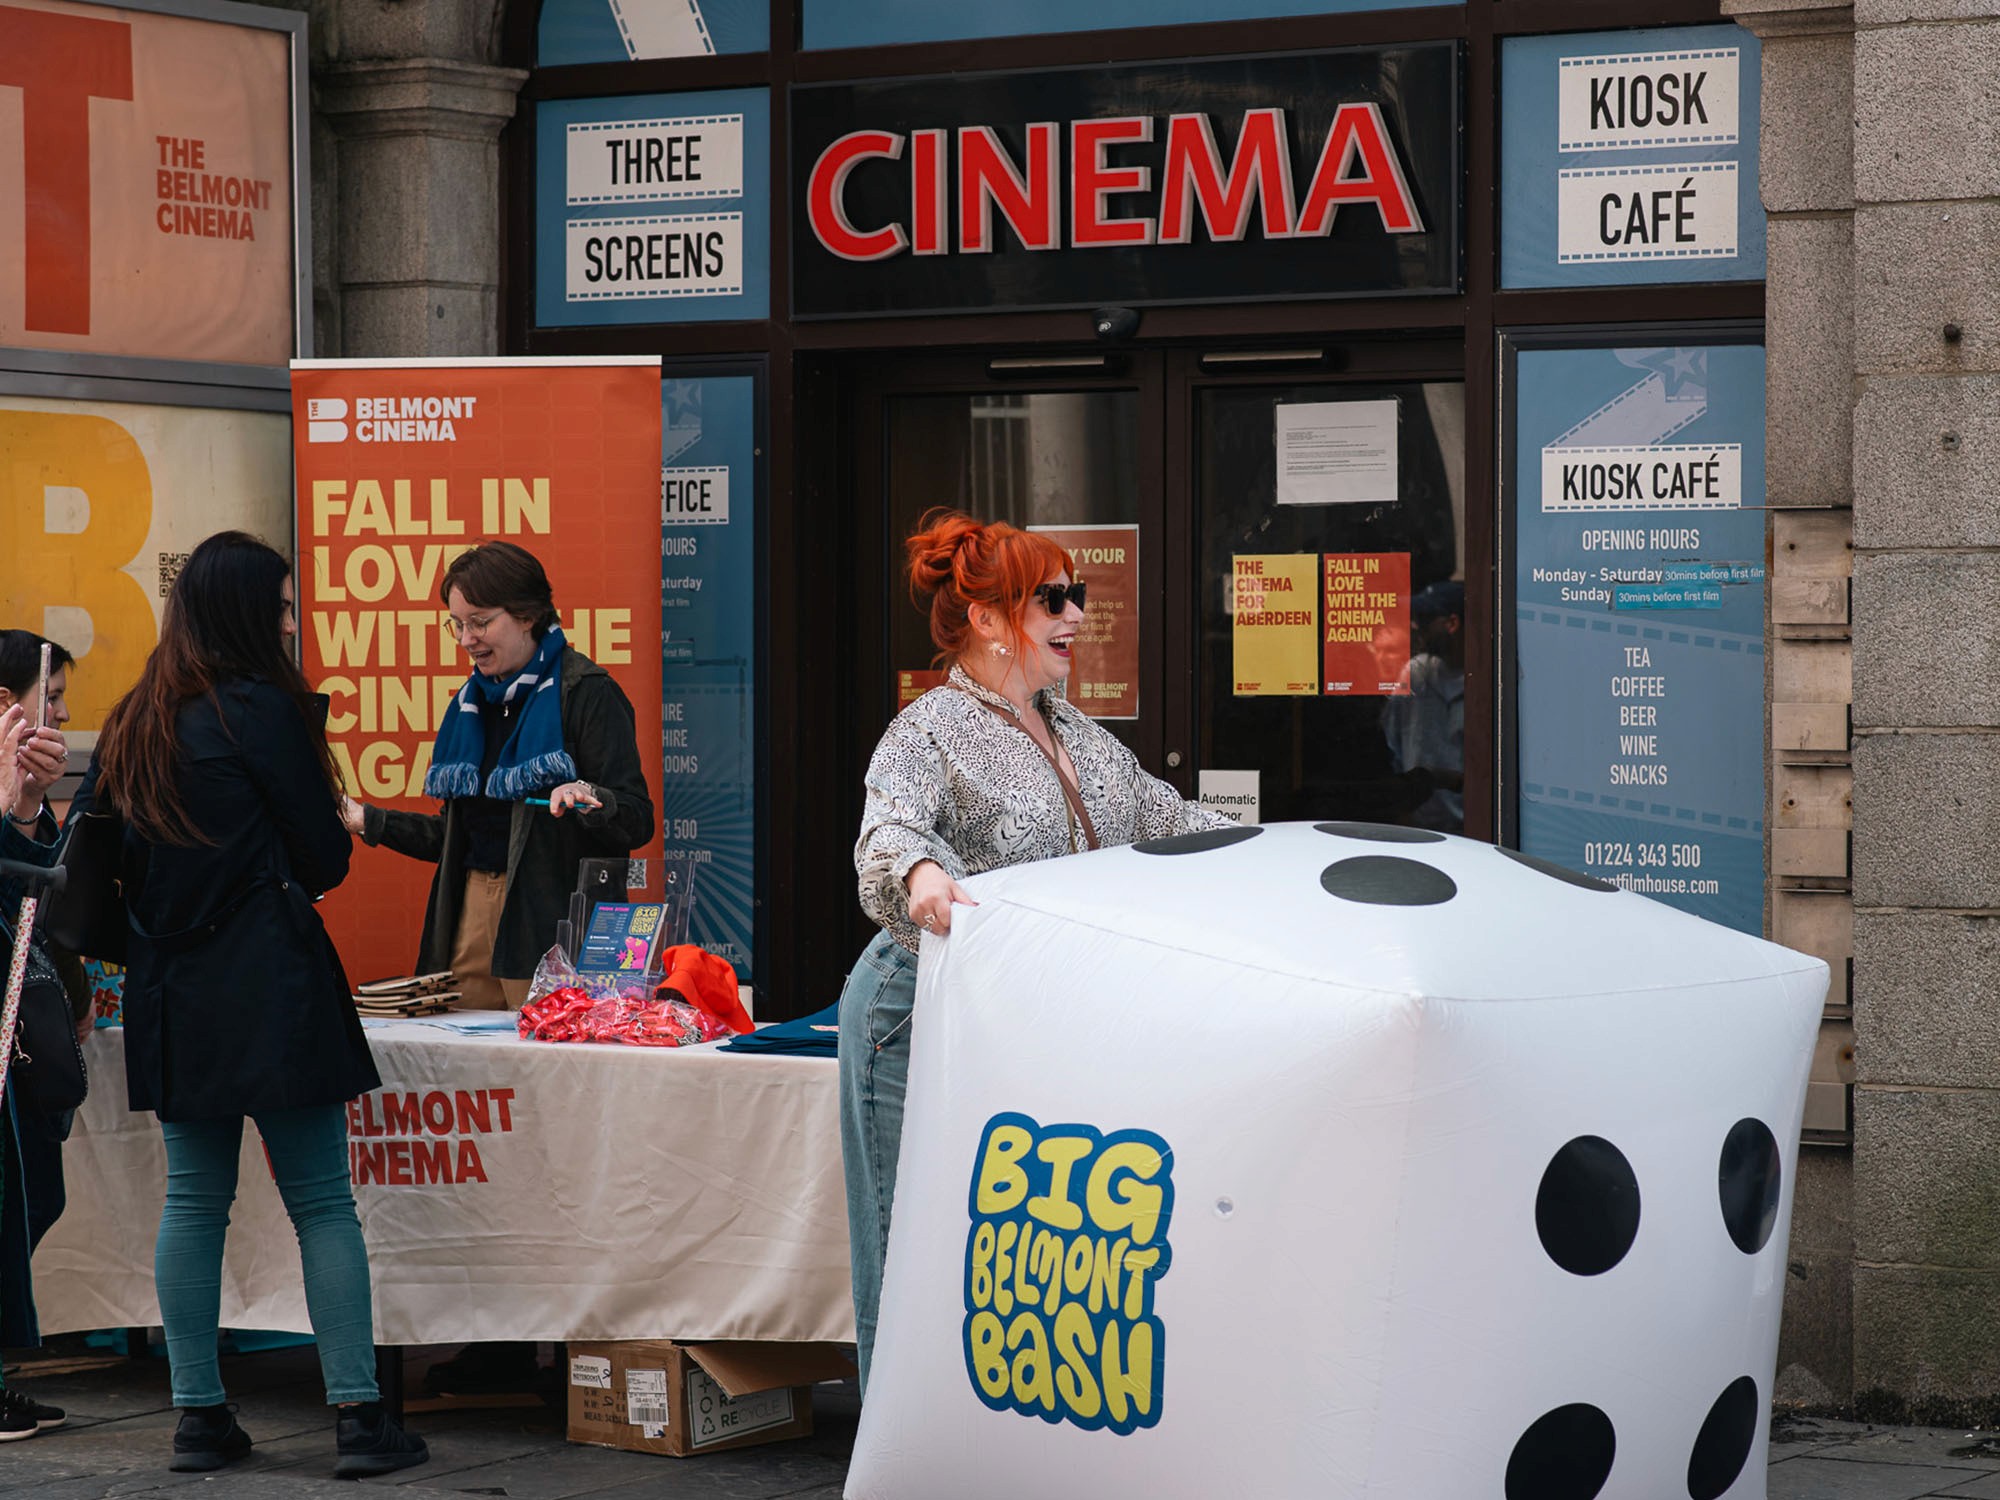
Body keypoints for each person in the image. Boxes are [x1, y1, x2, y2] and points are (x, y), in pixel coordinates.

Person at [838, 510, 1233, 1391]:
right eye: (1051, 598)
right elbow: (887, 830)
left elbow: (1169, 823)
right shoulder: (928, 729)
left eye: (1077, 595)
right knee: (911, 1238)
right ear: (986, 619)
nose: (1076, 614)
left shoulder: (1082, 736)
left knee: (1023, 1242)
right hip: (913, 1014)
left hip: (1026, 1017)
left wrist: (1282, 852)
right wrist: (922, 874)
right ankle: (901, 1458)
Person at [70, 532, 427, 1478]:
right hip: (270, 982)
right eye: (278, 606)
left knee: (193, 1203)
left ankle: (199, 1418)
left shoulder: (132, 720)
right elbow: (325, 856)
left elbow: (96, 878)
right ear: (240, 614)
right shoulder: (263, 710)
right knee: (321, 1201)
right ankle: (358, 1418)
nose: (289, 621)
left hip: (172, 990)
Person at [341, 539, 651, 1395]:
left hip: (550, 935)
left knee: (552, 1140)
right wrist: (367, 819)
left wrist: (588, 803)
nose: (467, 641)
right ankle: (498, 1339)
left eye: (480, 623)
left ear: (530, 614)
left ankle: (562, 1341)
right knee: (482, 1142)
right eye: (456, 626)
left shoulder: (588, 694)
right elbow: (457, 842)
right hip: (470, 930)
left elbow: (636, 820)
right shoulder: (471, 706)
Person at [0, 631, 90, 1439]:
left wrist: (28, 807)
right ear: (6, 704)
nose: (63, 715)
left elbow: (42, 893)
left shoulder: (22, 785)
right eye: (50, 697)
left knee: (34, 1192)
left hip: (20, 1024)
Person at [1379, 580, 1466, 833]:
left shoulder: (1488, 681)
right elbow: (1391, 745)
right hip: (1417, 829)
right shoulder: (1416, 673)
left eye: (1425, 618)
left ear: (1452, 623)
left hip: (1473, 831)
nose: (1415, 625)